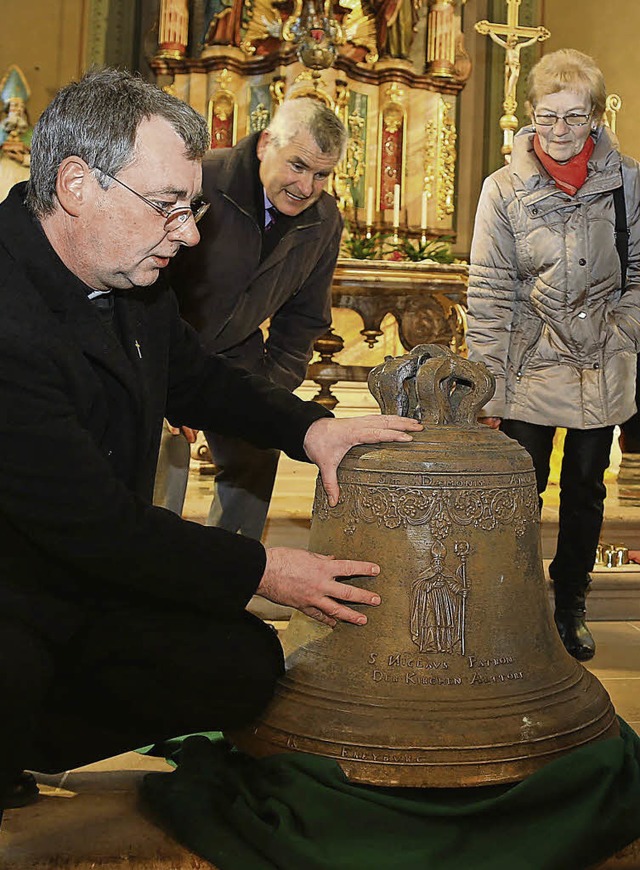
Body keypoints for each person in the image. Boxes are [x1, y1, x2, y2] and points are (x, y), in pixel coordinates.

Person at [0, 67, 422, 819]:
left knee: (243, 663)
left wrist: (310, 427)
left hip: (82, 581)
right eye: (167, 207)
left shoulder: (128, 274)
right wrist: (266, 567)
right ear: (74, 185)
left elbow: (199, 379)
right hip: (16, 589)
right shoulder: (8, 319)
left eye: (191, 207)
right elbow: (100, 526)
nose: (190, 233)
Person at [466, 48, 640, 662]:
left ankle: (570, 606)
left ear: (595, 116)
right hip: (531, 361)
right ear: (530, 115)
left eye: (574, 116)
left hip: (602, 359)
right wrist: (483, 385)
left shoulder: (628, 180)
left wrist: (624, 329)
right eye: (548, 117)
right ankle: (512, 607)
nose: (560, 131)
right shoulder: (503, 188)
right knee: (520, 488)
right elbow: (489, 288)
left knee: (586, 490)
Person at [156, 96, 347, 545]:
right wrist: (163, 382)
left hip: (238, 352)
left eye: (321, 175)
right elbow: (150, 282)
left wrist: (270, 390)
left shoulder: (324, 220)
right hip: (166, 343)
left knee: (259, 447)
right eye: (297, 165)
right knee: (162, 469)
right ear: (266, 145)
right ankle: (146, 589)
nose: (307, 186)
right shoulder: (202, 177)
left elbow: (303, 320)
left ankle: (228, 581)